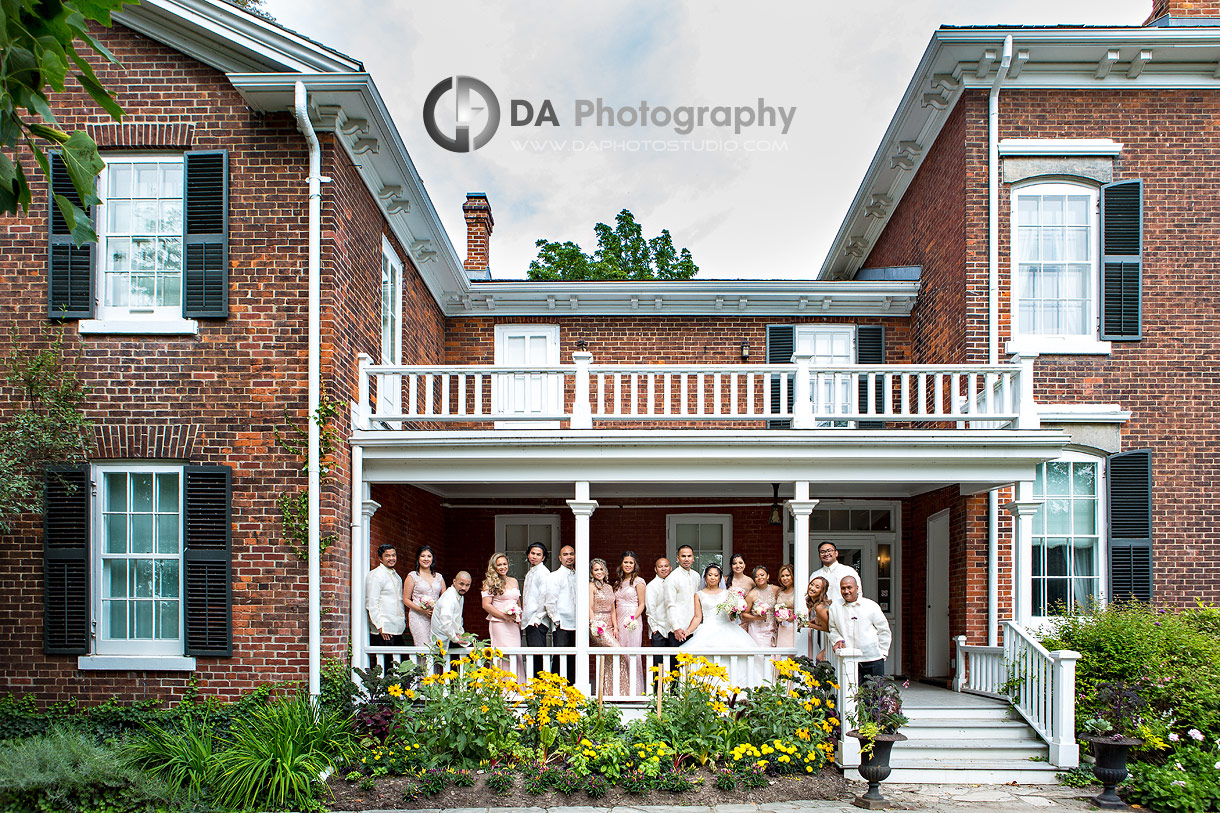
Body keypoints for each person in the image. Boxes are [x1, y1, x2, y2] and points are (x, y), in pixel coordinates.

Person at [679, 563, 757, 685]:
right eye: (710, 575)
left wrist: (736, 610)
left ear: (720, 578)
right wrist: (688, 631)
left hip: (727, 628)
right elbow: (698, 617)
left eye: (716, 575)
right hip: (707, 630)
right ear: (705, 577)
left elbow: (732, 616)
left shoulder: (727, 594)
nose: (713, 578)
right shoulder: (699, 595)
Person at [829, 574, 891, 680]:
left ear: (857, 588)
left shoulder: (871, 606)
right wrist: (838, 640)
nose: (846, 591)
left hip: (872, 658)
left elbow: (884, 630)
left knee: (874, 695)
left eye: (849, 587)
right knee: (851, 695)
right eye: (843, 588)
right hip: (849, 659)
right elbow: (832, 629)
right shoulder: (835, 607)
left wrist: (883, 653)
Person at [481, 552, 523, 679]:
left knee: (516, 653)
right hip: (499, 624)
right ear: (494, 567)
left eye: (505, 564)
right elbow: (486, 605)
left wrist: (519, 618)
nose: (502, 567)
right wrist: (504, 616)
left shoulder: (514, 581)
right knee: (502, 653)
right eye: (499, 565)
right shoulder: (489, 583)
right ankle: (501, 688)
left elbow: (518, 602)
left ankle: (518, 686)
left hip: (513, 624)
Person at [366, 543, 405, 674]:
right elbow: (372, 602)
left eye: (393, 555)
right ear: (380, 558)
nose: (391, 558)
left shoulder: (396, 576)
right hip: (384, 629)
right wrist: (380, 626)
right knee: (385, 666)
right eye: (387, 556)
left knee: (399, 666)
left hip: (397, 628)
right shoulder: (376, 575)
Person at [590, 558, 625, 695]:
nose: (599, 572)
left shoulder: (609, 587)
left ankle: (610, 692)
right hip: (598, 625)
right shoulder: (591, 586)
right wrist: (594, 624)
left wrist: (616, 627)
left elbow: (613, 609)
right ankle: (605, 690)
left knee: (610, 657)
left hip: (610, 624)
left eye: (601, 569)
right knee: (617, 650)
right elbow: (589, 608)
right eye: (596, 569)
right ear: (592, 572)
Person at [614, 551, 647, 693]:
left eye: (631, 563)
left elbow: (642, 604)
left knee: (632, 654)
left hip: (632, 620)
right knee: (620, 654)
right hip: (619, 619)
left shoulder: (638, 582)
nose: (628, 565)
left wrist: (632, 619)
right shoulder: (618, 582)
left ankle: (635, 691)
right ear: (621, 564)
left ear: (635, 565)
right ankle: (623, 690)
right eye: (625, 562)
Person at [544, 544, 577, 681]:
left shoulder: (578, 576)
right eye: (565, 554)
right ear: (559, 558)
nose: (569, 557)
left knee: (574, 658)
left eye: (571, 554)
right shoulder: (554, 576)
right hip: (562, 623)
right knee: (560, 657)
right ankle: (556, 688)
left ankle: (572, 688)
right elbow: (550, 601)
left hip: (577, 623)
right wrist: (556, 620)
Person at [402, 545, 445, 648]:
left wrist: (437, 609)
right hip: (418, 617)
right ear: (418, 558)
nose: (426, 559)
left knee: (436, 647)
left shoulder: (439, 577)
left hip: (435, 617)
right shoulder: (412, 576)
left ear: (432, 558)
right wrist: (422, 611)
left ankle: (435, 665)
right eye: (423, 556)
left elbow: (444, 597)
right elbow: (406, 599)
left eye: (429, 556)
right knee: (423, 646)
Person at [521, 542, 551, 678]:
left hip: (537, 620)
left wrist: (538, 617)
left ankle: (541, 687)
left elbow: (546, 597)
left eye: (538, 554)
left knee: (538, 655)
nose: (534, 557)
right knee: (533, 654)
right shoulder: (531, 572)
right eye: (532, 553)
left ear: (543, 558)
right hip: (529, 619)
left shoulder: (543, 573)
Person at [664, 545, 702, 644]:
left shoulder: (696, 576)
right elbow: (669, 605)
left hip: (694, 628)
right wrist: (676, 628)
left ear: (693, 558)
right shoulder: (672, 578)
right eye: (683, 556)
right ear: (678, 558)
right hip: (678, 629)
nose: (686, 559)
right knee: (678, 659)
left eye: (689, 556)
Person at [431, 570, 473, 655]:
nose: (464, 588)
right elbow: (445, 623)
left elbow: (458, 620)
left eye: (467, 585)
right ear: (454, 581)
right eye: (461, 584)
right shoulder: (449, 597)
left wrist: (460, 634)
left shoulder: (459, 595)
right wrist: (456, 639)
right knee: (475, 649)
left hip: (451, 637)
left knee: (476, 643)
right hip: (443, 640)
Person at [645, 557, 672, 682]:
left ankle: (673, 693)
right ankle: (658, 694)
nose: (663, 569)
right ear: (655, 569)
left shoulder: (673, 583)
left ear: (670, 568)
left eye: (666, 566)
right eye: (660, 566)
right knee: (658, 664)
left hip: (672, 629)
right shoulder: (652, 586)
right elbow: (650, 609)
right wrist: (654, 629)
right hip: (659, 630)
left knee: (673, 664)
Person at [812, 541, 861, 606]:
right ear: (819, 555)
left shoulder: (848, 571)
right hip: (821, 613)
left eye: (829, 551)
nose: (826, 554)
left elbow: (858, 594)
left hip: (844, 611)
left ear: (836, 553)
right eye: (822, 552)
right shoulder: (815, 575)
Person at [742, 565, 779, 648]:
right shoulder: (751, 594)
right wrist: (757, 618)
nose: (759, 578)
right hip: (757, 630)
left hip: (772, 628)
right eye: (756, 576)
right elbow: (744, 615)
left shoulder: (776, 590)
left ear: (768, 576)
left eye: (762, 575)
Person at [804, 575, 832, 661]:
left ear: (822, 591)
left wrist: (809, 625)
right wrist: (812, 621)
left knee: (820, 658)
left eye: (817, 587)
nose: (812, 588)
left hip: (834, 638)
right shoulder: (815, 604)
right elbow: (820, 620)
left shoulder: (820, 607)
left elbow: (827, 628)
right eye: (812, 584)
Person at [774, 563, 797, 651]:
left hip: (793, 626)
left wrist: (792, 617)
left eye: (787, 575)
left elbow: (806, 609)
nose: (785, 578)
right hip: (782, 627)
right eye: (782, 576)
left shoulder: (797, 590)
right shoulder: (780, 592)